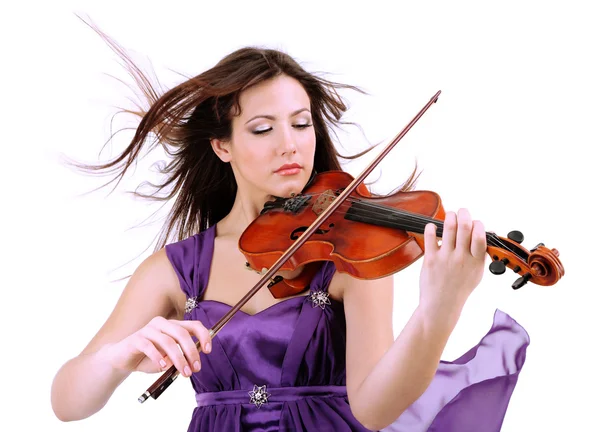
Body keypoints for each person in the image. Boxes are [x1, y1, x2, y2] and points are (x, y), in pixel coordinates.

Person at [51, 24, 530, 432]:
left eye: (301, 124)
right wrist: (115, 358)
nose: (290, 145)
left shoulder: (348, 249)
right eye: (263, 129)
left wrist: (439, 309)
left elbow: (375, 409)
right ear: (223, 146)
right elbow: (67, 403)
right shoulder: (174, 270)